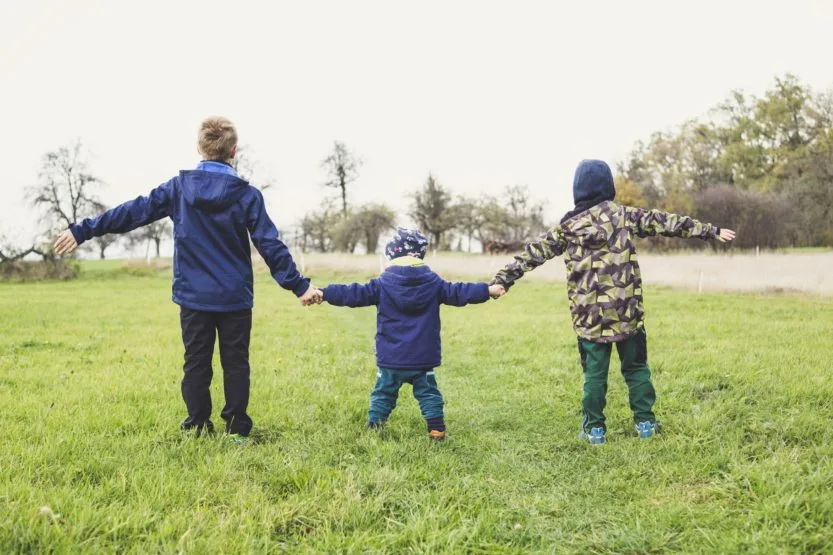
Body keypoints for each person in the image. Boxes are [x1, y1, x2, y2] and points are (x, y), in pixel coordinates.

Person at [54, 116, 319, 443]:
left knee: (196, 364)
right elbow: (270, 244)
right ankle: (236, 430)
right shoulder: (247, 195)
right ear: (234, 151)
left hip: (193, 297)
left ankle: (197, 426)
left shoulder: (178, 189)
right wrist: (300, 286)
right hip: (234, 297)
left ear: (199, 148)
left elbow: (132, 212)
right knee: (236, 364)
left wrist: (83, 230)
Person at [490, 159, 736, 444]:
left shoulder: (566, 228)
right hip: (627, 313)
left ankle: (595, 429)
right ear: (608, 187)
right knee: (636, 368)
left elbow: (532, 254)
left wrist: (503, 280)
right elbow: (665, 222)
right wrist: (710, 231)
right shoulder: (623, 216)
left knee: (594, 375)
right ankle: (645, 424)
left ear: (577, 191)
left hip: (589, 320)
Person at [306, 228, 503, 440]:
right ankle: (436, 429)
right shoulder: (434, 283)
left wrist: (325, 293)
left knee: (383, 393)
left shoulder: (382, 283)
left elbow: (353, 293)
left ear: (393, 254)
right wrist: (487, 290)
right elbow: (459, 292)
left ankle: (374, 428)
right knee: (428, 394)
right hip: (422, 357)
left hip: (391, 358)